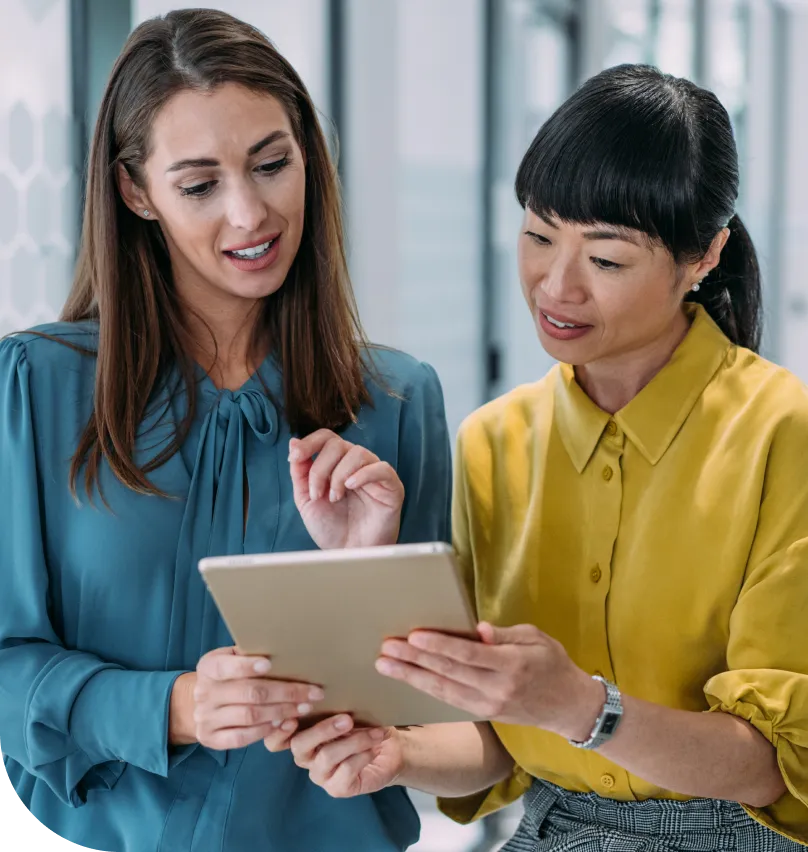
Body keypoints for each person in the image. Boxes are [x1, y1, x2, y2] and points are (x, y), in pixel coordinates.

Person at [269, 65, 808, 850]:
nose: (556, 287)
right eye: (538, 235)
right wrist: (399, 753)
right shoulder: (494, 443)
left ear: (704, 256)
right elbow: (501, 744)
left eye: (608, 260)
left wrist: (584, 708)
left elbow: (773, 765)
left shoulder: (781, 432)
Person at [0, 9, 450, 852]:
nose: (250, 214)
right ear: (136, 191)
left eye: (272, 165)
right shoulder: (38, 386)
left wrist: (363, 585)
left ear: (308, 157)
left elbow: (439, 728)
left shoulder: (397, 400)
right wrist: (170, 707)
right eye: (200, 185)